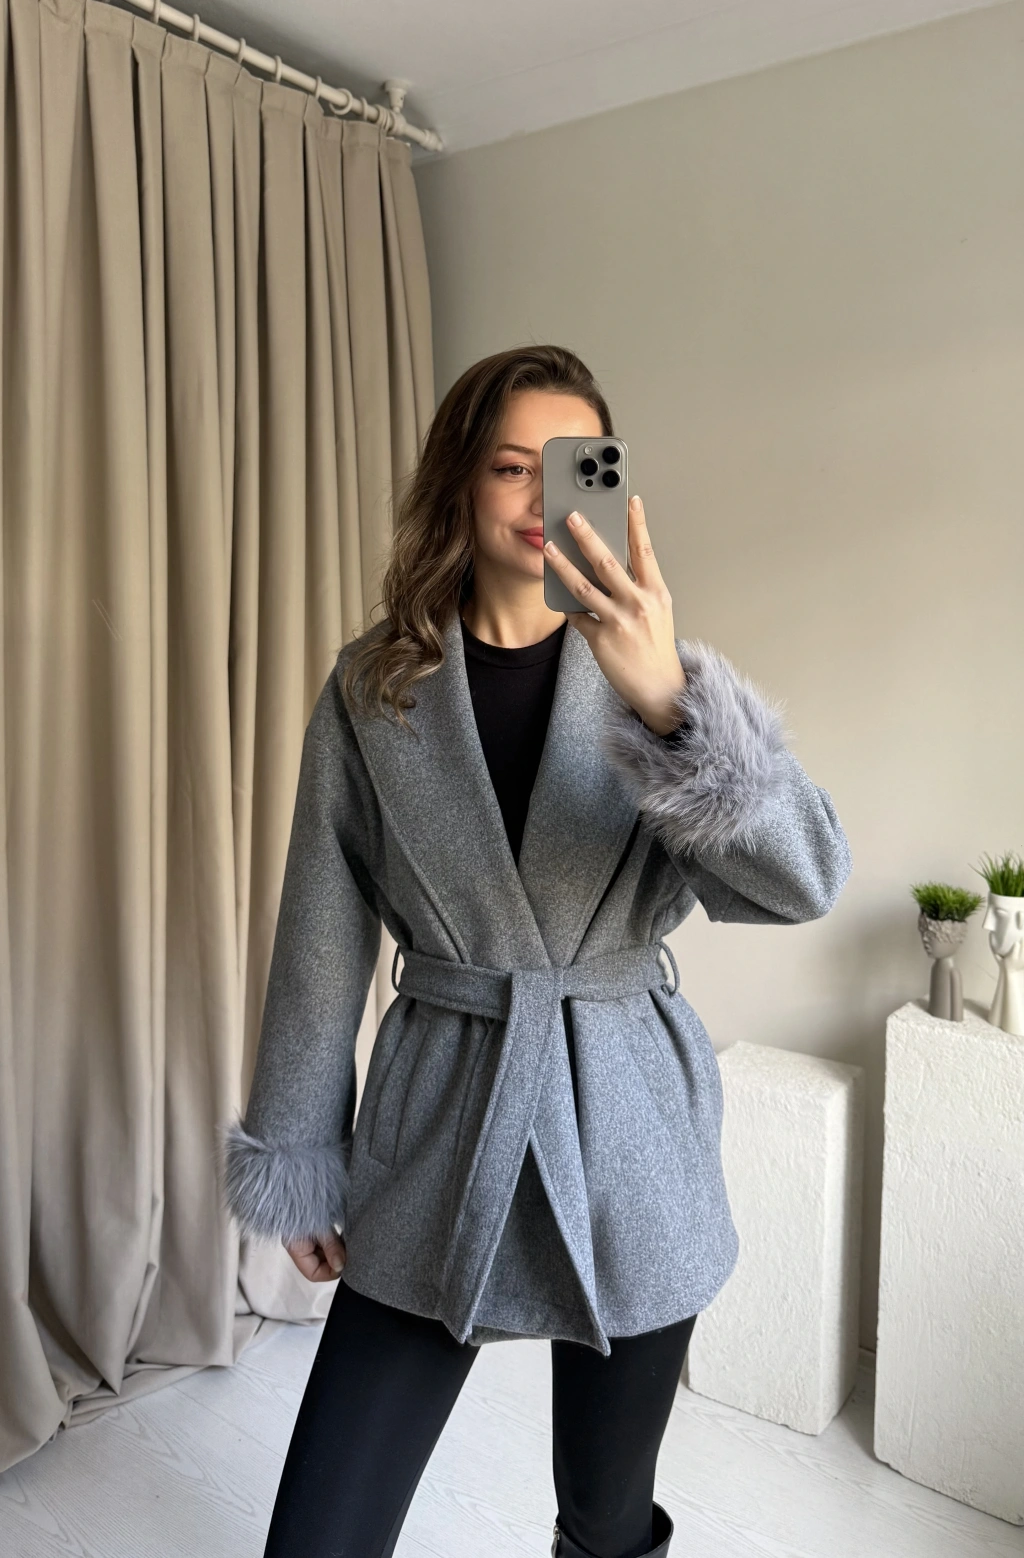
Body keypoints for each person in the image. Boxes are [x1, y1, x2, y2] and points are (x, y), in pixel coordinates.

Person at [220, 345, 853, 1558]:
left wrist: (670, 705)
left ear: (607, 484)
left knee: (604, 1520)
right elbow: (320, 928)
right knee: (319, 1534)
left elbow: (803, 881)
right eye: (511, 466)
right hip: (439, 1120)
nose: (538, 497)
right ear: (461, 481)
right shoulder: (372, 689)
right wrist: (301, 1143)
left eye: (571, 467)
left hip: (628, 1137)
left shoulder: (658, 680)